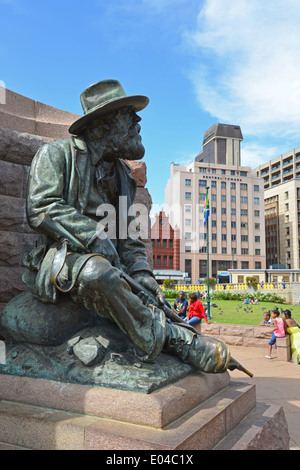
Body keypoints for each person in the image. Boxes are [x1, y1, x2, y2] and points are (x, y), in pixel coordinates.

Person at [22, 79, 235, 375]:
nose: (137, 120)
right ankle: (174, 341)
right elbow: (41, 208)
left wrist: (143, 274)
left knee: (141, 290)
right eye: (127, 114)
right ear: (102, 126)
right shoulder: (57, 155)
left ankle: (151, 330)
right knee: (97, 271)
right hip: (64, 262)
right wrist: (94, 236)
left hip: (116, 268)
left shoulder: (122, 173)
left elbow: (131, 237)